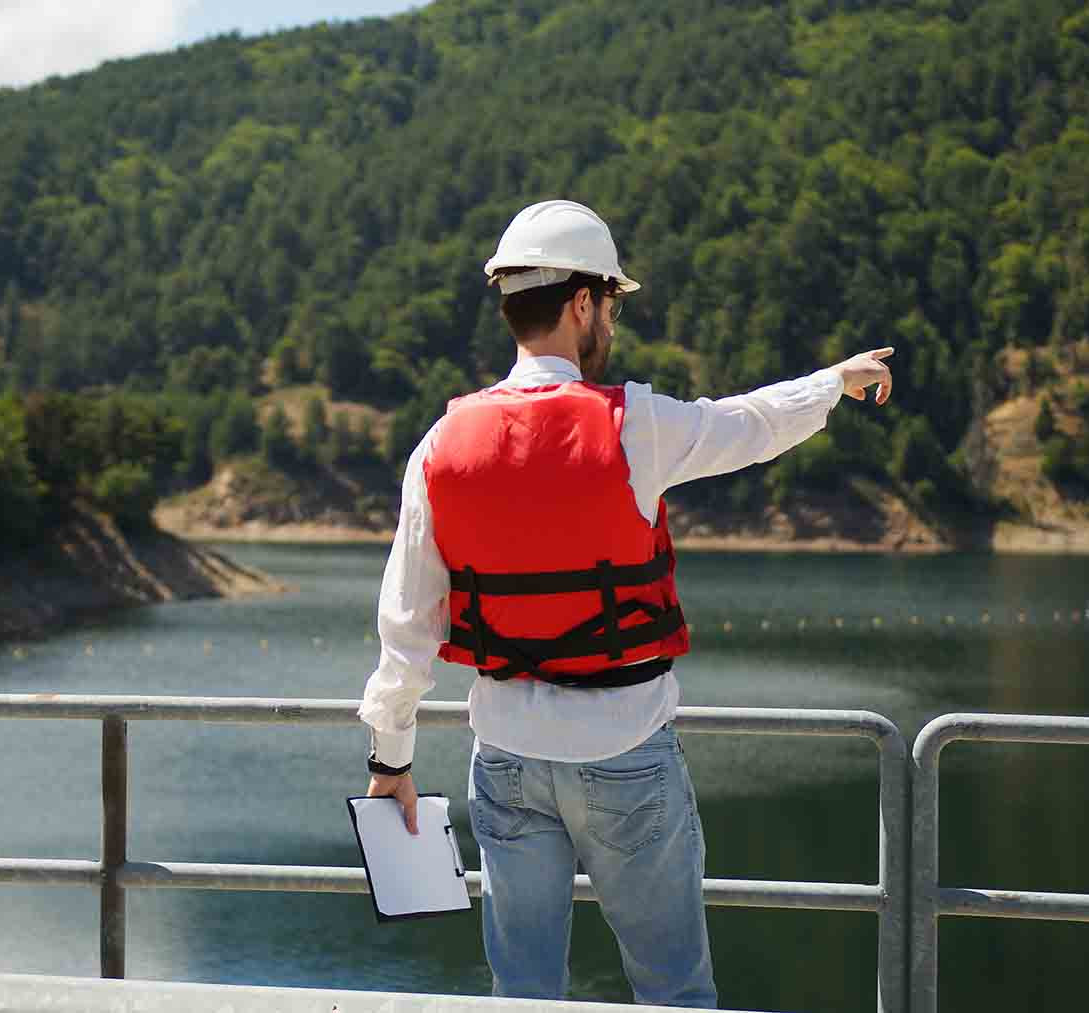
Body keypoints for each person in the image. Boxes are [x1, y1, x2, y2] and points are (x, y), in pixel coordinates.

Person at [358, 199, 894, 1007]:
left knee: (524, 992)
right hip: (627, 753)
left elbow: (405, 630)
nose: (610, 318)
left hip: (503, 757)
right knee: (673, 990)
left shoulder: (439, 446)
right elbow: (744, 425)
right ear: (582, 304)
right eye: (609, 302)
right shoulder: (632, 425)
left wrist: (390, 760)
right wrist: (832, 382)